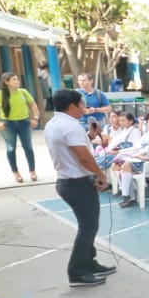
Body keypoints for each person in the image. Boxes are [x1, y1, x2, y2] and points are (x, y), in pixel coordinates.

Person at [44, 89, 114, 286]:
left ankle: (89, 263)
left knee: (87, 225)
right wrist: (101, 175)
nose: (85, 108)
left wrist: (90, 137)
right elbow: (83, 156)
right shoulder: (70, 127)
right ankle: (76, 272)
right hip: (77, 182)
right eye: (81, 105)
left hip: (66, 181)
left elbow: (73, 148)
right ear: (71, 106)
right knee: (88, 227)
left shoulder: (53, 124)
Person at [0, 72, 40, 182]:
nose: (17, 81)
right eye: (14, 80)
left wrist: (35, 118)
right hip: (8, 124)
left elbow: (33, 104)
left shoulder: (23, 92)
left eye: (17, 79)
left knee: (28, 147)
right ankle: (16, 173)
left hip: (24, 123)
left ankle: (32, 171)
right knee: (11, 148)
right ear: (7, 82)